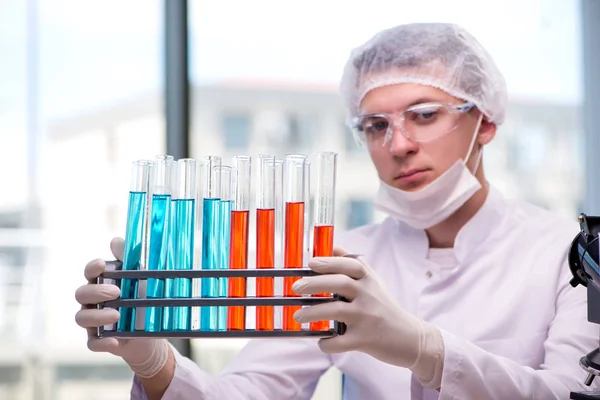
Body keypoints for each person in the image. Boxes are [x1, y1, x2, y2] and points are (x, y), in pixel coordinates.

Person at [74, 22, 598, 399]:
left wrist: (425, 349)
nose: (398, 144)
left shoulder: (569, 255)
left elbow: (574, 393)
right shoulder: (341, 259)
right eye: (375, 125)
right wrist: (156, 361)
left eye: (424, 114)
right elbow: (251, 393)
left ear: (484, 122)